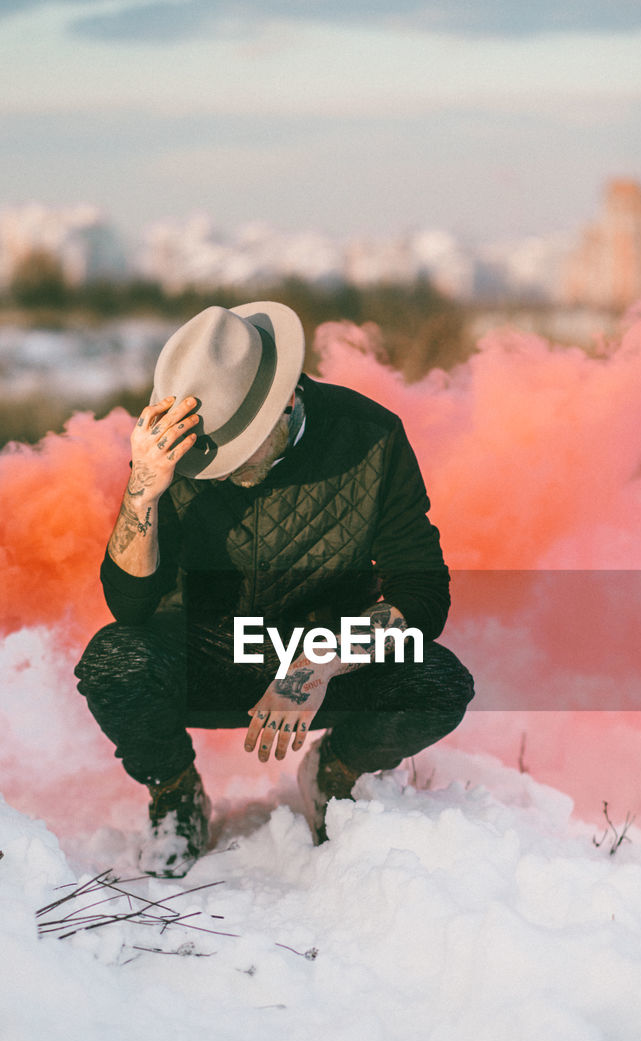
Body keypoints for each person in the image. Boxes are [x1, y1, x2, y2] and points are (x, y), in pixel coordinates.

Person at [75, 301, 474, 874]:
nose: (221, 468)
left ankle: (333, 773)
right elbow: (130, 607)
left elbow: (423, 590)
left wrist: (318, 661)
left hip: (323, 652)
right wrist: (143, 488)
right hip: (207, 651)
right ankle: (175, 792)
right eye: (210, 454)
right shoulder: (176, 451)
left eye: (240, 447)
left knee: (438, 683)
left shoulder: (372, 434)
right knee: (114, 662)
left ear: (287, 400)